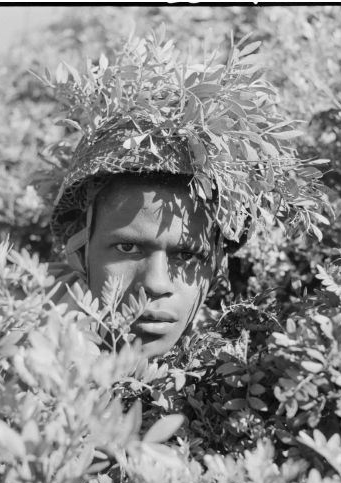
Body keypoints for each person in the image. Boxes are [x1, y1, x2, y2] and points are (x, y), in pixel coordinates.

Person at [38, 34, 307, 358]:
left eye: (187, 256)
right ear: (79, 254)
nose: (156, 284)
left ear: (217, 267)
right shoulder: (17, 362)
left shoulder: (240, 376)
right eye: (128, 247)